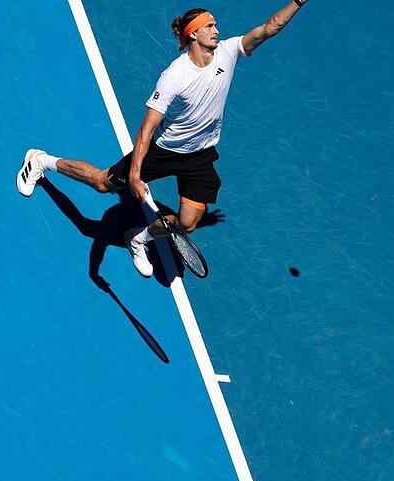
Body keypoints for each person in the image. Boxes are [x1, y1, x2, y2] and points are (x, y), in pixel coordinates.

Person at [16, 2, 308, 277]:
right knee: (103, 184)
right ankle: (41, 161)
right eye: (210, 26)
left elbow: (270, 27)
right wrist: (134, 174)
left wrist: (297, 2)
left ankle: (139, 238)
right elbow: (147, 129)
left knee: (188, 223)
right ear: (193, 33)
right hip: (165, 150)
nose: (217, 30)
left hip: (201, 155)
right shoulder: (175, 76)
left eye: (216, 25)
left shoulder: (229, 52)